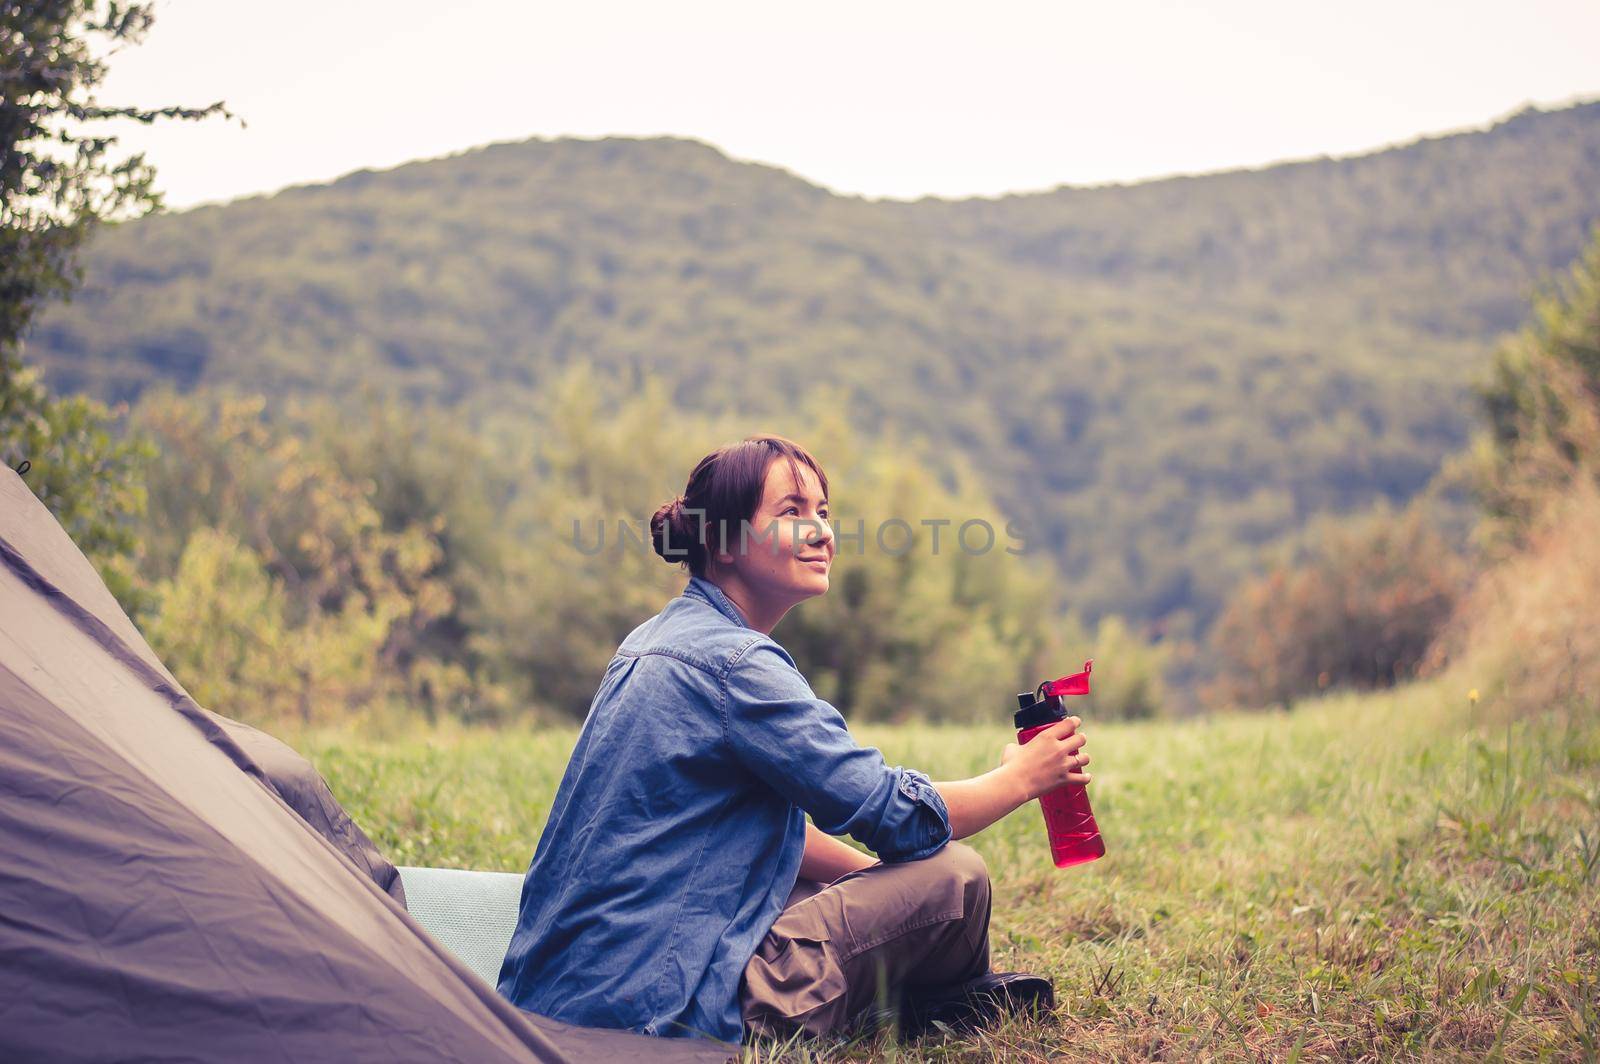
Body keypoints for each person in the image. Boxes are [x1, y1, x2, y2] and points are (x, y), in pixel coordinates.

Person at [497, 435, 1092, 1046]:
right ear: (724, 543)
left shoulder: (654, 640)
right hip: (672, 1015)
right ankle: (918, 1005)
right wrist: (1021, 777)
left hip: (561, 994)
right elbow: (896, 816)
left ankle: (918, 996)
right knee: (954, 879)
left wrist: (878, 888)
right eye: (791, 512)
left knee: (872, 884)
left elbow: (760, 830)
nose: (821, 531)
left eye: (824, 513)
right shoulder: (736, 664)